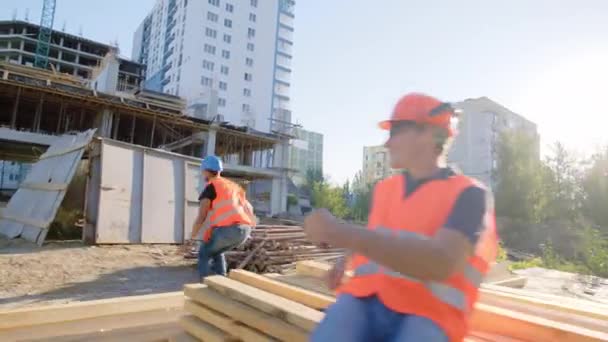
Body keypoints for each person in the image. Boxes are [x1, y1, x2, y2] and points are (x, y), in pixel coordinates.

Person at [303, 93, 499, 342]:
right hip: (365, 297)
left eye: (395, 131)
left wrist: (340, 232)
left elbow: (443, 262)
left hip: (429, 312)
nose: (387, 143)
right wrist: (345, 259)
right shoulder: (387, 189)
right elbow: (379, 238)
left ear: (427, 133)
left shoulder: (470, 195)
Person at [189, 155, 256, 280]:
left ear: (206, 171)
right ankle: (222, 281)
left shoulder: (211, 187)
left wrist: (192, 238)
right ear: (219, 171)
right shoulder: (233, 186)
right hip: (245, 230)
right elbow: (249, 208)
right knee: (217, 251)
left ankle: (205, 286)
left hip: (229, 230)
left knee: (203, 253)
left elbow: (201, 218)